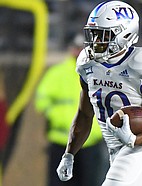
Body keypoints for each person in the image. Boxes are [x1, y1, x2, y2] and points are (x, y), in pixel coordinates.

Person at [55, 1, 142, 186]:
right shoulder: (87, 63)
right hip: (116, 149)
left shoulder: (141, 62)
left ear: (124, 33)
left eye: (102, 36)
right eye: (94, 34)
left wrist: (135, 139)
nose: (95, 42)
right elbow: (84, 114)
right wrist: (69, 154)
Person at [35, 34, 108, 186]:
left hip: (90, 141)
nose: (79, 51)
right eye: (76, 48)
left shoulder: (99, 72)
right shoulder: (57, 72)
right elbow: (42, 99)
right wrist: (57, 116)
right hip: (61, 141)